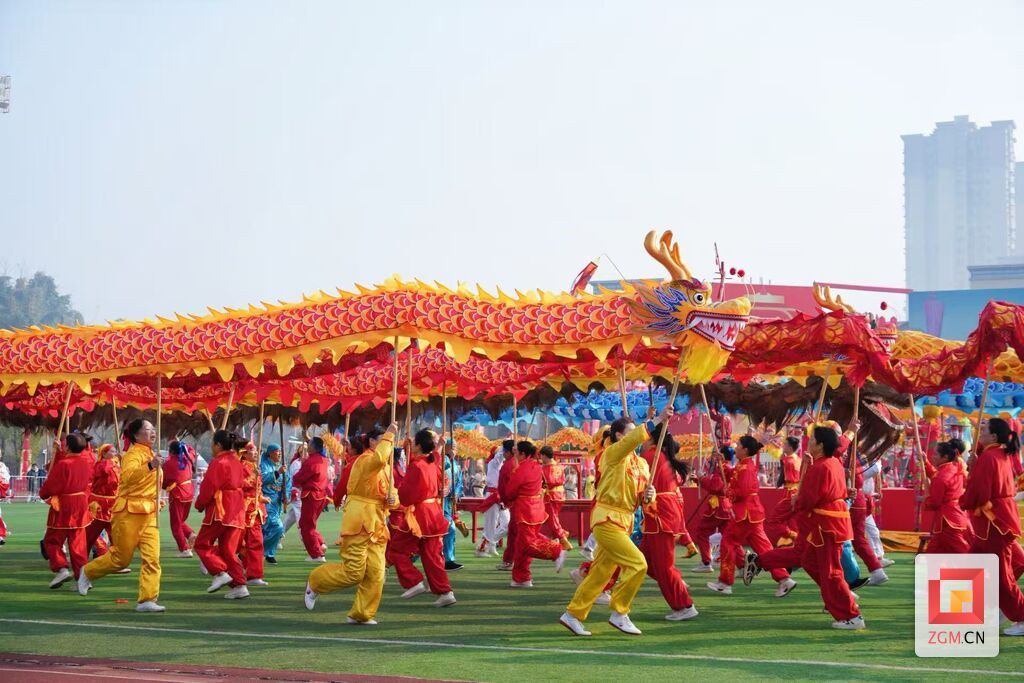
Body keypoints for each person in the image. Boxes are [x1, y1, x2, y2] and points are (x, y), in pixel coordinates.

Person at [559, 407, 672, 637]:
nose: (637, 437)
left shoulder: (642, 464)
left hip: (625, 520)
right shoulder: (611, 454)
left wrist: (648, 495)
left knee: (601, 572)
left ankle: (573, 614)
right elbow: (632, 441)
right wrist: (658, 419)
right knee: (638, 564)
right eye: (630, 432)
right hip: (607, 518)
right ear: (619, 436)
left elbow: (641, 498)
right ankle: (619, 612)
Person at [305, 423, 399, 624]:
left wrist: (393, 500)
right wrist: (390, 435)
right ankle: (316, 581)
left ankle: (362, 614)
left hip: (378, 524)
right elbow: (378, 458)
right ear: (372, 442)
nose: (389, 444)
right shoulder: (365, 460)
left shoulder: (386, 467)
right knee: (354, 572)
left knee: (376, 573)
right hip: (359, 521)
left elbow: (393, 494)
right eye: (383, 440)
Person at [77, 419, 164, 613]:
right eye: (148, 429)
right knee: (121, 559)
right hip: (128, 513)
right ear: (136, 435)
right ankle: (88, 571)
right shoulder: (132, 455)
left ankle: (147, 599)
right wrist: (151, 465)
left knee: (152, 558)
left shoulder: (152, 454)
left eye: (153, 429)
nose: (153, 432)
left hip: (149, 514)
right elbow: (129, 477)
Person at [786, 426, 863, 629]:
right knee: (809, 561)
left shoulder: (820, 467)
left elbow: (808, 499)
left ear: (820, 445)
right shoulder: (833, 462)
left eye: (812, 439)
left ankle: (851, 614)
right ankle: (838, 595)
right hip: (830, 523)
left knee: (831, 572)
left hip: (826, 526)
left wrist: (796, 501)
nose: (809, 442)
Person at [707, 435, 795, 598]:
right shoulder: (744, 464)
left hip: (745, 514)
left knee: (728, 542)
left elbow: (743, 491)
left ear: (745, 449)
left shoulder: (746, 467)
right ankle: (784, 579)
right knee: (765, 548)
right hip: (752, 513)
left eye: (739, 445)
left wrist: (727, 492)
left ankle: (725, 582)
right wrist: (723, 463)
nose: (736, 447)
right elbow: (732, 474)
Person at [961, 418, 1024, 636]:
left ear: (994, 436)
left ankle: (1020, 615)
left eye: (984, 430)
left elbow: (980, 492)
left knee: (1001, 575)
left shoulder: (989, 457)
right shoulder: (999, 453)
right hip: (995, 521)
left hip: (993, 522)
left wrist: (964, 500)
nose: (980, 432)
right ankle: (984, 609)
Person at [388, 429, 457, 607]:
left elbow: (406, 496)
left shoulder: (418, 465)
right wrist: (439, 446)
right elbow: (439, 469)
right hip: (434, 513)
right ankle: (445, 591)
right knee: (432, 556)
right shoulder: (432, 462)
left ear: (418, 446)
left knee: (396, 549)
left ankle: (413, 581)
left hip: (420, 515)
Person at [639, 423, 698, 621]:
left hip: (660, 515)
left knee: (663, 567)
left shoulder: (651, 457)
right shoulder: (663, 457)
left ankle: (684, 605)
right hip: (663, 514)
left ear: (651, 439)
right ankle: (676, 583)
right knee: (643, 560)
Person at [193, 430, 250, 600]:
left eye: (212, 444)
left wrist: (199, 504)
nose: (211, 447)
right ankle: (239, 585)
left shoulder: (219, 462)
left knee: (202, 544)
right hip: (237, 510)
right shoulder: (237, 462)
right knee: (228, 550)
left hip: (222, 509)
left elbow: (208, 487)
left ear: (218, 445)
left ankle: (219, 572)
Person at [504, 441, 566, 587]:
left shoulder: (522, 469)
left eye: (517, 452)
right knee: (521, 544)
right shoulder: (538, 466)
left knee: (526, 545)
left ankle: (556, 551)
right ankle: (521, 578)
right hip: (537, 507)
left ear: (523, 454)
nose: (515, 454)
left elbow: (510, 492)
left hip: (526, 510)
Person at [40, 433, 95, 589]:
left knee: (52, 540)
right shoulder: (87, 462)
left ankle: (61, 568)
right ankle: (83, 577)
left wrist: (43, 493)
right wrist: (59, 452)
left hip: (64, 505)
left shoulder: (64, 464)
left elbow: (52, 486)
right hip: (81, 504)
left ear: (68, 446)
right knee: (78, 545)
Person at [923, 439, 972, 554]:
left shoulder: (941, 476)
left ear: (945, 457)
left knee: (962, 553)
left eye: (935, 454)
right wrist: (925, 463)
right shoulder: (956, 468)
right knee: (932, 554)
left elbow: (934, 502)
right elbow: (936, 475)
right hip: (955, 516)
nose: (933, 456)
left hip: (948, 521)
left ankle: (981, 566)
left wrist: (927, 495)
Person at [691, 446, 734, 572]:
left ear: (722, 456)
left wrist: (702, 478)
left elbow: (715, 487)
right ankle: (742, 563)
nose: (713, 456)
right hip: (726, 506)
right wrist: (699, 479)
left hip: (718, 507)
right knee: (729, 537)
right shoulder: (727, 467)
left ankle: (706, 562)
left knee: (702, 532)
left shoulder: (722, 467)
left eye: (716, 453)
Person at [293, 438, 332, 562]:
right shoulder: (324, 460)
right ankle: (319, 544)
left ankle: (316, 554)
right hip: (320, 495)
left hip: (311, 496)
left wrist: (302, 466)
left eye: (309, 444)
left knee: (306, 526)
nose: (307, 446)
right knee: (308, 524)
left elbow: (298, 478)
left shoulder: (311, 461)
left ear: (314, 447)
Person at [476, 441, 512, 558]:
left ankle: (491, 543)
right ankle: (482, 549)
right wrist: (505, 445)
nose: (502, 453)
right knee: (490, 524)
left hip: (502, 496)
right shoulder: (493, 463)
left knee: (507, 524)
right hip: (493, 495)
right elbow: (499, 456)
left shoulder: (504, 464)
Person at [239, 441, 268, 587]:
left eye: (256, 450)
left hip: (255, 510)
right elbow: (239, 485)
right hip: (243, 510)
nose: (256, 453)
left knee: (254, 542)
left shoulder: (254, 466)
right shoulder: (240, 467)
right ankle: (213, 560)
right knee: (239, 542)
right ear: (244, 453)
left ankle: (253, 573)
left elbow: (256, 490)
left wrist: (262, 498)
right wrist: (252, 477)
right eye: (252, 450)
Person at [162, 440, 197, 558]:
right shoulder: (188, 458)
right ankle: (190, 534)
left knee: (175, 524)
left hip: (178, 494)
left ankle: (184, 549)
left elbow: (163, 481)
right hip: (189, 493)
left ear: (171, 451)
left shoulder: (169, 463)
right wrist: (184, 445)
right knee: (180, 521)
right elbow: (192, 451)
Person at [85, 444, 120, 558]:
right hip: (99, 504)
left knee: (115, 534)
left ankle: (116, 559)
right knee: (91, 533)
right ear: (104, 453)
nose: (114, 453)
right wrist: (115, 463)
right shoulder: (100, 465)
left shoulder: (115, 464)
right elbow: (105, 471)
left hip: (113, 504)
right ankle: (82, 557)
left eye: (115, 451)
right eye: (111, 451)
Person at [765, 436, 801, 547]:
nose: (783, 446)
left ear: (790, 447)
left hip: (790, 492)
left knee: (774, 519)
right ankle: (792, 544)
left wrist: (778, 483)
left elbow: (783, 476)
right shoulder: (798, 459)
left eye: (785, 444)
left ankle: (795, 537)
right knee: (792, 520)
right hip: (797, 491)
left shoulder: (787, 460)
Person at [259, 443, 289, 565]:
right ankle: (262, 552)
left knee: (265, 530)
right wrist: (277, 473)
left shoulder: (282, 467)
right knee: (278, 527)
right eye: (277, 451)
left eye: (280, 451)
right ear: (270, 453)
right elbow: (262, 479)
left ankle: (268, 553)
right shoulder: (263, 465)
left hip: (277, 503)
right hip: (266, 501)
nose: (280, 454)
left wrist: (286, 496)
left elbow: (288, 483)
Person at [540, 446, 574, 551]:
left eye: (541, 456)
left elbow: (549, 482)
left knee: (552, 519)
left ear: (544, 455)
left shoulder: (545, 468)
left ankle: (563, 538)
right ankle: (562, 533)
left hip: (551, 496)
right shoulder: (559, 466)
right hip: (560, 495)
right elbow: (562, 480)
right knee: (552, 518)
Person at [441, 441, 464, 571]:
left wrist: (457, 493)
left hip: (448, 503)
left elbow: (459, 483)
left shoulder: (456, 465)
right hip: (439, 501)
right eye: (451, 447)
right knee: (449, 528)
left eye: (455, 448)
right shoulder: (441, 461)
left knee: (450, 529)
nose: (453, 450)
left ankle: (448, 559)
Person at [280, 444, 308, 546]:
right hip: (297, 493)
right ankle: (307, 541)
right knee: (301, 518)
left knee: (290, 518)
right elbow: (297, 479)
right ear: (301, 452)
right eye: (305, 451)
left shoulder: (307, 462)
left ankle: (277, 536)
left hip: (305, 493)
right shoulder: (296, 463)